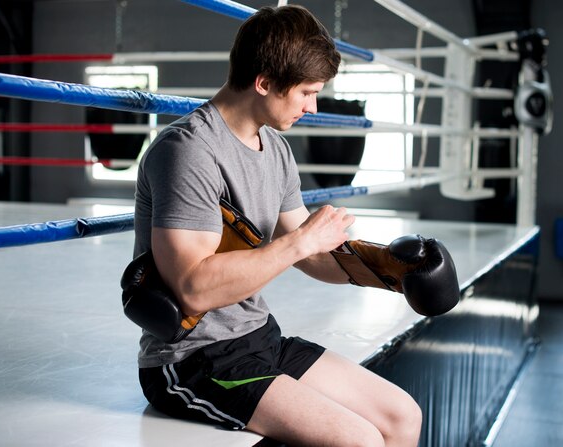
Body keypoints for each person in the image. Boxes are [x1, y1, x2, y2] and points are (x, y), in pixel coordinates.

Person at [133, 5, 422, 446]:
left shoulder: (276, 150)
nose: (313, 106)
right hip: (194, 361)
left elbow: (315, 256)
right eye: (306, 92)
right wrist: (303, 240)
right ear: (264, 82)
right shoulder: (188, 152)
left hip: (260, 338)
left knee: (403, 416)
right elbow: (193, 288)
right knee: (359, 440)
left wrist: (392, 271)